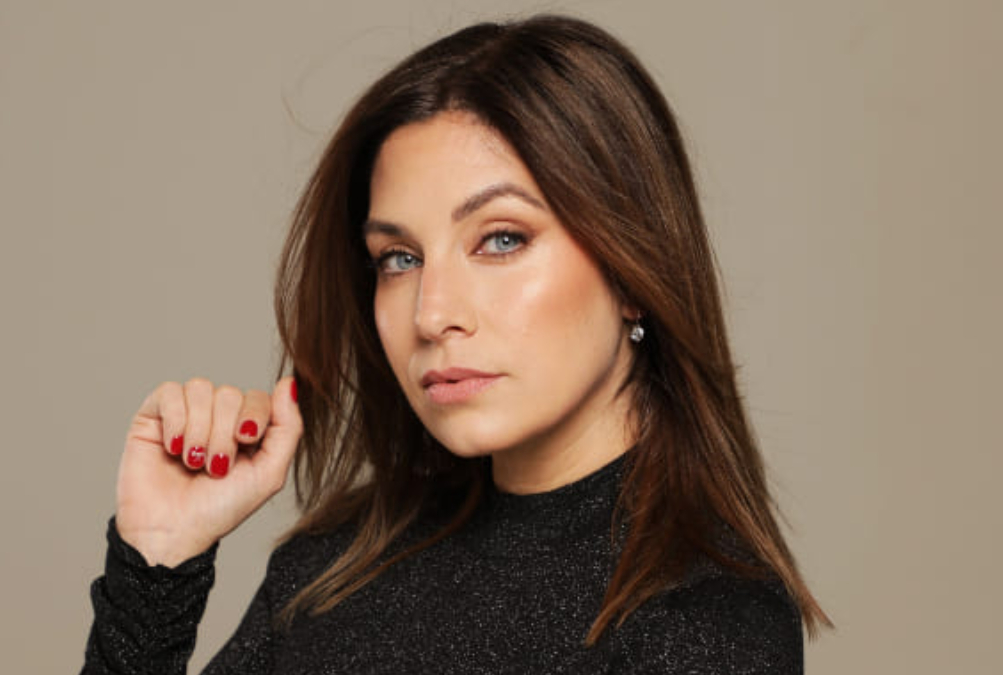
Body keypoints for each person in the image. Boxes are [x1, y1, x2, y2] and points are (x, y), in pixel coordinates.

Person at [82, 14, 829, 674]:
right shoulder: (336, 566)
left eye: (501, 239)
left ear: (631, 269)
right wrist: (157, 564)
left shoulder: (704, 626)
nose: (432, 313)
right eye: (399, 258)